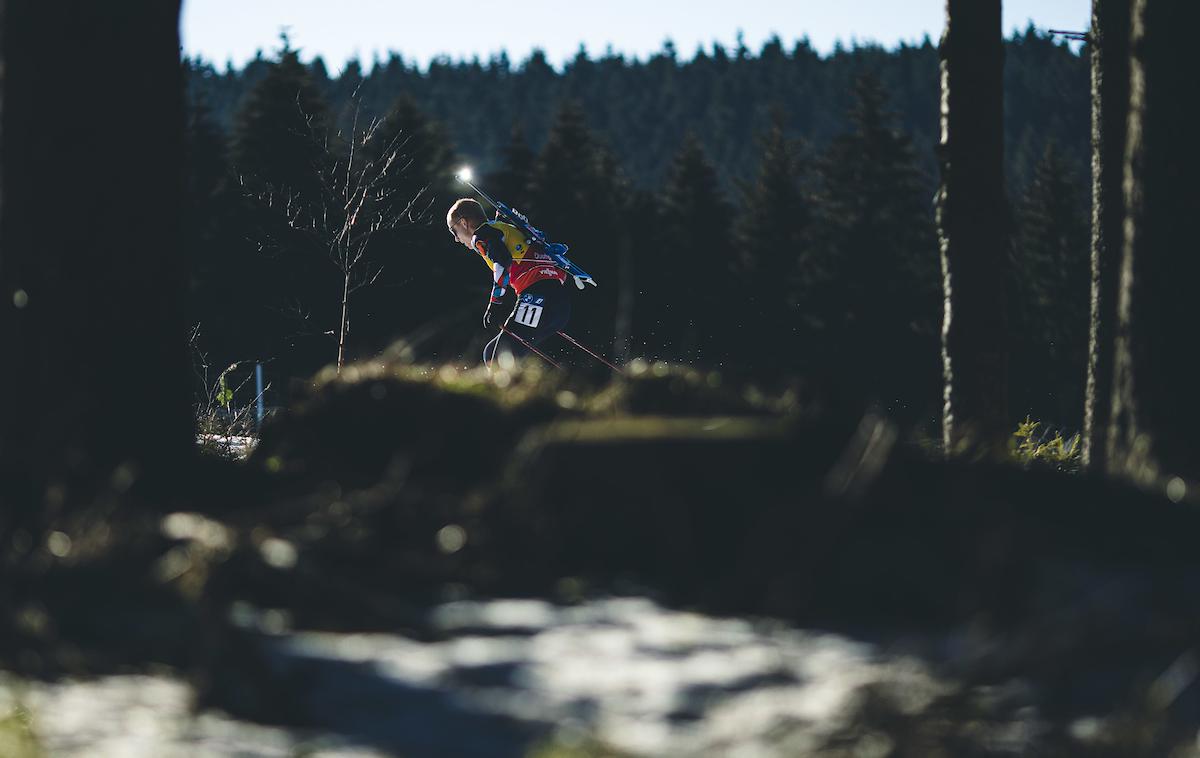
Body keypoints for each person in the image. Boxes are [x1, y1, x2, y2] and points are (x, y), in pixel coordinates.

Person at [446, 197, 572, 367]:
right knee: (502, 353)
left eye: (453, 231)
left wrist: (495, 303)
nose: (456, 239)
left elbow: (502, 262)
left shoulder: (481, 236)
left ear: (463, 223)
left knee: (495, 356)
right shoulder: (505, 228)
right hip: (560, 303)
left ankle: (506, 391)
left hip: (537, 298)